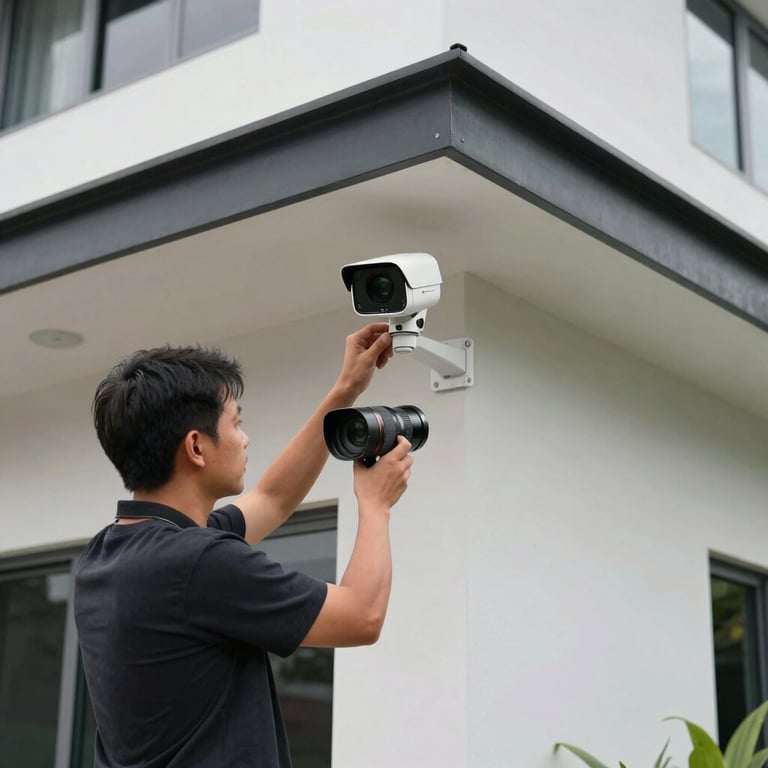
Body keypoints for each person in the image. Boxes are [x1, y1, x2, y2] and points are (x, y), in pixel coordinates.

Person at [74, 322, 413, 768]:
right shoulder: (195, 563)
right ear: (196, 447)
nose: (245, 437)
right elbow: (362, 616)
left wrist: (345, 391)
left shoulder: (107, 555)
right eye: (236, 422)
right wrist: (375, 505)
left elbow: (271, 498)